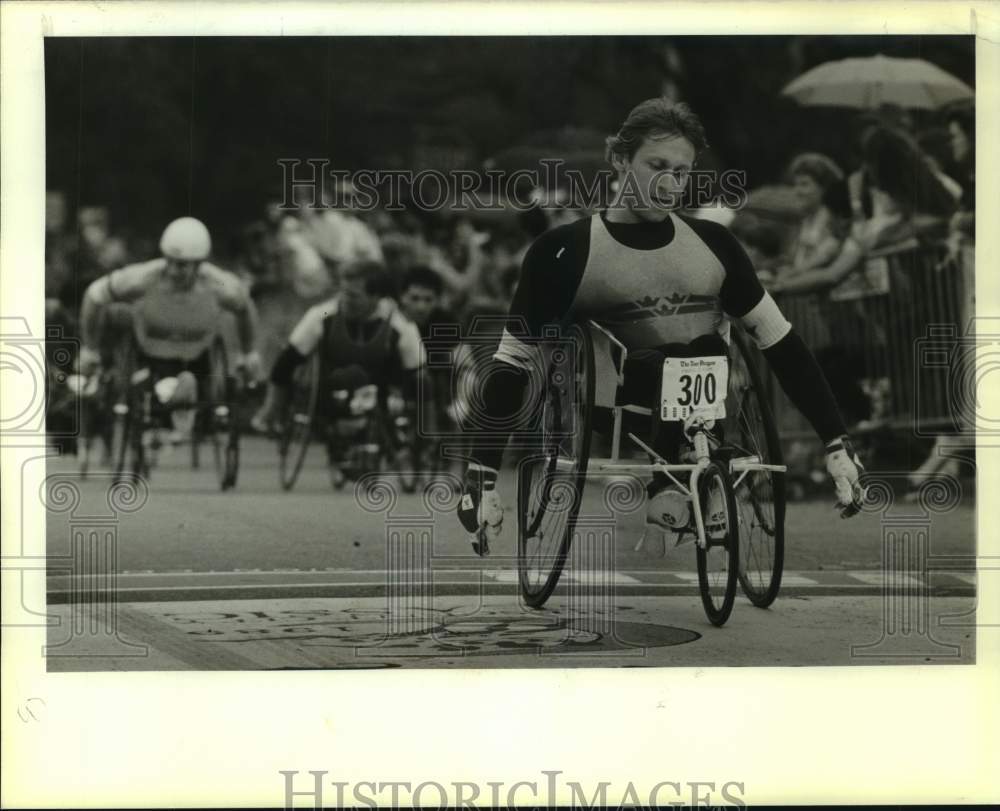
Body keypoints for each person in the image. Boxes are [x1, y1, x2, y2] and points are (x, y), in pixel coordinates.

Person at [456, 97, 866, 554]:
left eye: (682, 172)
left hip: (709, 392)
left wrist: (835, 440)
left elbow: (782, 344)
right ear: (619, 159)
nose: (670, 185)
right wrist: (481, 475)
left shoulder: (716, 244)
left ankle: (694, 472)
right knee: (680, 356)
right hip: (623, 400)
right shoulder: (563, 252)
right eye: (656, 166)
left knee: (706, 346)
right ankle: (672, 480)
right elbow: (513, 363)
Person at [78, 216, 261, 441]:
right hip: (153, 352)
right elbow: (95, 295)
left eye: (182, 265)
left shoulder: (220, 285)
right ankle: (171, 395)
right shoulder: (142, 278)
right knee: (153, 383)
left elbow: (245, 306)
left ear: (198, 263)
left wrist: (249, 352)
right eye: (170, 261)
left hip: (198, 354)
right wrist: (90, 348)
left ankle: (184, 397)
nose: (174, 270)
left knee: (203, 384)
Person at [251, 260, 426, 482]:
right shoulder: (322, 313)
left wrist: (417, 421)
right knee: (289, 364)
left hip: (380, 392)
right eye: (343, 292)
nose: (345, 300)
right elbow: (286, 363)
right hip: (332, 387)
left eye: (354, 296)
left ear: (376, 297)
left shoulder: (400, 323)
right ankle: (339, 443)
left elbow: (418, 373)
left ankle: (392, 445)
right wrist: (272, 408)